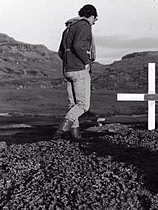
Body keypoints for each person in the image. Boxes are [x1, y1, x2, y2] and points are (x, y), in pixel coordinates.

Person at [54, 4, 98, 140]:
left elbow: (61, 52)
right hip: (79, 69)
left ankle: (76, 134)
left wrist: (69, 63)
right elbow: (78, 46)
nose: (94, 22)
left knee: (73, 104)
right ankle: (61, 130)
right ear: (91, 16)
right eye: (95, 19)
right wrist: (86, 62)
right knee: (83, 105)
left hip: (67, 70)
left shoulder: (67, 28)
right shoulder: (84, 25)